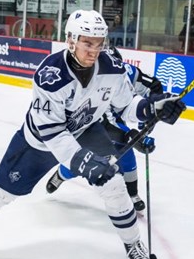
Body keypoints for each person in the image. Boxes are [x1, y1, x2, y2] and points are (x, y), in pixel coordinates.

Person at [0, 9, 186, 259]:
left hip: (86, 130)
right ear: (71, 40)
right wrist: (82, 161)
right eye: (87, 43)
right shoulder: (50, 75)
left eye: (99, 44)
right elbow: (52, 131)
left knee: (114, 185)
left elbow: (126, 106)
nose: (94, 50)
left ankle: (133, 244)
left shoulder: (112, 69)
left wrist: (152, 108)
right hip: (38, 143)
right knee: (0, 193)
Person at [45, 45, 163, 213]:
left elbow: (155, 87)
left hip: (119, 114)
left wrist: (149, 120)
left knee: (126, 153)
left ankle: (133, 194)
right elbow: (106, 121)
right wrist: (131, 136)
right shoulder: (92, 82)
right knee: (84, 158)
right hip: (93, 121)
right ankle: (61, 175)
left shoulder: (128, 72)